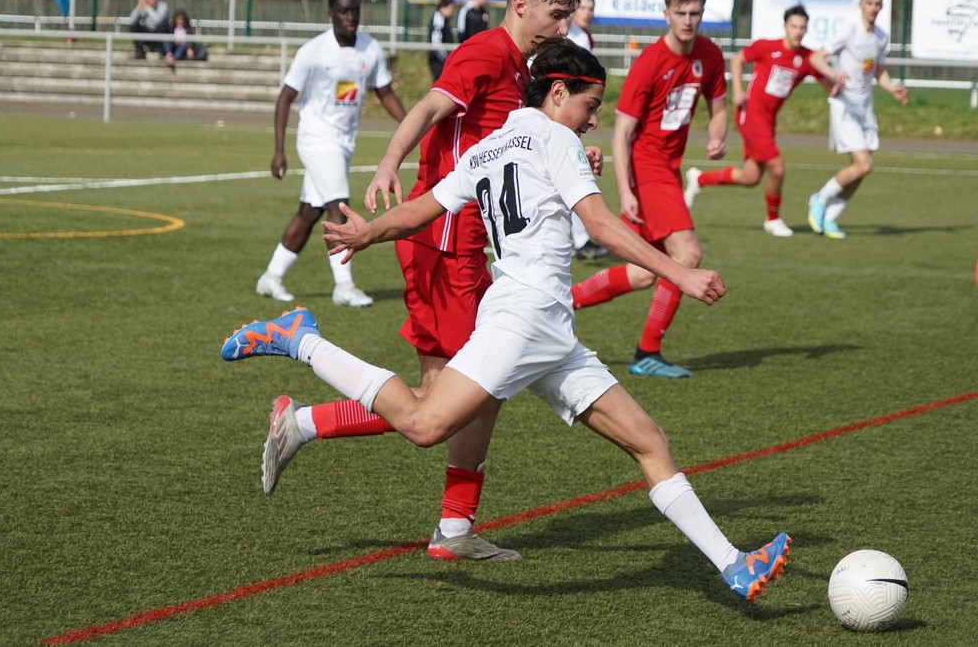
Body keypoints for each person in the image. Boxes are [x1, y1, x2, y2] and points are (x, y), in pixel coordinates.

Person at [220, 37, 791, 604]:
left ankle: (733, 566)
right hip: (522, 320)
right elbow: (599, 224)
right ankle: (301, 341)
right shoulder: (556, 139)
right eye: (590, 106)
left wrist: (369, 232)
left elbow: (422, 208)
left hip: (549, 330)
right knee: (423, 423)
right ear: (558, 92)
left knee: (649, 442)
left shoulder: (489, 146)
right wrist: (680, 273)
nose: (593, 120)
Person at [256, 0, 583, 563]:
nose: (564, 28)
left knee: (448, 393)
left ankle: (314, 430)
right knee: (459, 400)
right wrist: (389, 163)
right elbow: (430, 107)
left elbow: (511, 148)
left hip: (460, 246)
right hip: (443, 244)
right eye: (557, 15)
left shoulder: (522, 68)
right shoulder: (485, 52)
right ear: (521, 5)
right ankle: (305, 366)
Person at [570, 0, 727, 379]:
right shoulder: (650, 62)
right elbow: (621, 134)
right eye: (681, 13)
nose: (688, 20)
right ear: (666, 14)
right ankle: (647, 352)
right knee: (687, 256)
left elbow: (719, 106)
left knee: (642, 273)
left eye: (695, 13)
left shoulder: (710, 55)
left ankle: (557, 304)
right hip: (646, 168)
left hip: (669, 170)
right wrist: (625, 190)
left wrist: (717, 136)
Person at [255, 0, 406, 307]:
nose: (350, 17)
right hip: (316, 139)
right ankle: (344, 286)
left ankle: (271, 277)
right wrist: (279, 150)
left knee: (310, 212)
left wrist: (411, 125)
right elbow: (285, 98)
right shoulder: (313, 51)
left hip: (344, 142)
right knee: (339, 206)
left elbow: (385, 93)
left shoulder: (370, 49)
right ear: (330, 13)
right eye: (344, 11)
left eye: (355, 11)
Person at [683, 5, 844, 237]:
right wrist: (737, 89)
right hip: (750, 116)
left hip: (768, 122)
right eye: (794, 26)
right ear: (785, 27)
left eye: (802, 27)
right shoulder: (766, 47)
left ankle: (698, 179)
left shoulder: (807, 58)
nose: (798, 31)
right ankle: (773, 219)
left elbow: (828, 87)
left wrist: (838, 85)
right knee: (777, 168)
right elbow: (737, 59)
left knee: (751, 177)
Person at [806, 0, 908, 239]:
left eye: (878, 4)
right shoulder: (849, 29)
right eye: (869, 3)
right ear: (860, 4)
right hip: (845, 105)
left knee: (862, 168)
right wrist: (833, 75)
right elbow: (816, 58)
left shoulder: (881, 37)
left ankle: (831, 217)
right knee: (864, 164)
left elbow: (879, 71)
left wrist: (892, 88)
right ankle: (819, 199)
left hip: (865, 108)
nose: (873, 8)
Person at [565, 0, 608, 261]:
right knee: (572, 171)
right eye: (583, 7)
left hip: (573, 111)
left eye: (591, 9)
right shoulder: (563, 32)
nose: (587, 13)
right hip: (561, 111)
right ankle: (580, 240)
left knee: (571, 171)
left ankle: (580, 239)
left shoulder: (583, 37)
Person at [128, 0, 174, 66]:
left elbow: (158, 21)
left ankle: (163, 51)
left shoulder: (163, 6)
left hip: (160, 34)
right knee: (134, 26)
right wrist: (138, 8)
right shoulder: (143, 8)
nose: (152, 0)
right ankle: (140, 52)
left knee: (163, 24)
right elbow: (131, 21)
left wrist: (148, 8)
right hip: (148, 34)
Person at [427, 0, 455, 81]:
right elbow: (436, 42)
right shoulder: (438, 19)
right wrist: (446, 58)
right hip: (438, 60)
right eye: (450, 8)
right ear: (442, 7)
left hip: (441, 60)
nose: (452, 11)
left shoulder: (444, 20)